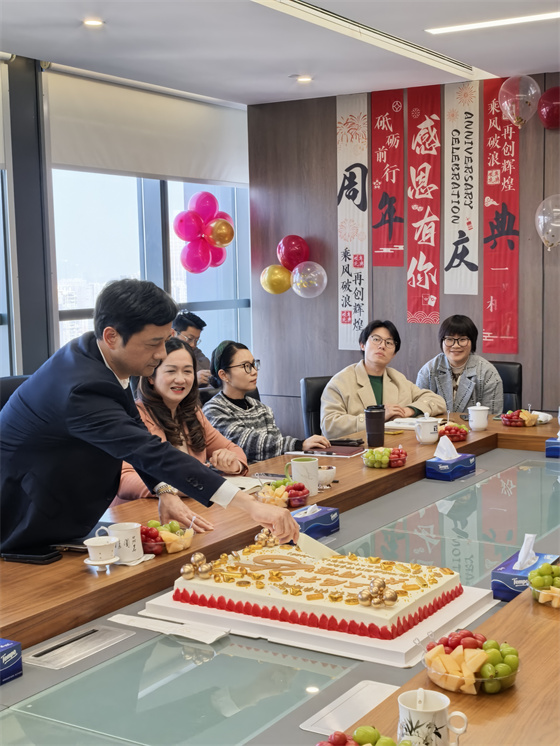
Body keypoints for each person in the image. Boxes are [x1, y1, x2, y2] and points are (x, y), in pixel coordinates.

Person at [0, 279, 298, 551]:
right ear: (112, 336)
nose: (161, 354)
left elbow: (138, 438)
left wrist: (162, 489)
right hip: (23, 522)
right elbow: (148, 450)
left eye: (165, 340)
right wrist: (250, 506)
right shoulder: (83, 388)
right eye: (154, 343)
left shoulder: (95, 354)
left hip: (61, 514)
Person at [116, 338, 248, 532]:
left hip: (191, 515)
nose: (181, 379)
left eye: (187, 371)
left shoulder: (192, 413)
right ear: (150, 376)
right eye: (171, 371)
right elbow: (124, 478)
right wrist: (178, 485)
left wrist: (232, 463)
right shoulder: (134, 416)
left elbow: (233, 450)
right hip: (142, 523)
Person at [202, 341, 330, 462]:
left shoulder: (262, 408)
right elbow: (246, 443)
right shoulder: (212, 410)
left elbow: (276, 450)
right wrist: (299, 445)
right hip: (236, 475)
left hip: (268, 472)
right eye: (246, 366)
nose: (254, 372)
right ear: (223, 375)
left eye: (253, 365)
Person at [321, 319, 446, 439]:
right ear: (362, 345)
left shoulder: (397, 378)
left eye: (389, 343)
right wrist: (377, 417)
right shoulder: (340, 382)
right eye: (376, 339)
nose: (382, 346)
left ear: (394, 353)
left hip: (394, 446)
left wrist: (410, 410)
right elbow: (329, 425)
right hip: (357, 448)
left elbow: (438, 401)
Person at [416, 314, 503, 414]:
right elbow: (419, 410)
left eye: (462, 339)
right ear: (442, 341)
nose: (456, 345)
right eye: (449, 339)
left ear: (472, 341)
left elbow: (492, 417)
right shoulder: (429, 370)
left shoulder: (488, 373)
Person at [172, 310, 212, 386]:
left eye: (196, 340)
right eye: (189, 339)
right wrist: (193, 379)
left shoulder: (194, 351)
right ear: (173, 333)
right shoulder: (162, 354)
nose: (193, 345)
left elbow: (206, 366)